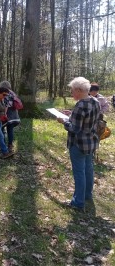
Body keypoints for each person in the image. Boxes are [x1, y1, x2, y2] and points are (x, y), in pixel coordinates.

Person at [57, 77, 100, 212]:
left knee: (79, 172)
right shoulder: (95, 101)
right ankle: (87, 195)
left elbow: (74, 128)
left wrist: (63, 121)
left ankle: (78, 202)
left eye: (72, 91)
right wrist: (71, 114)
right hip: (91, 143)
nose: (71, 93)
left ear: (79, 90)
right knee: (88, 169)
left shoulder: (80, 105)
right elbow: (88, 119)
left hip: (78, 144)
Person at [0, 80, 21, 152]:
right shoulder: (13, 93)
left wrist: (4, 113)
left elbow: (6, 105)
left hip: (8, 115)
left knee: (1, 129)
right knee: (10, 130)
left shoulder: (5, 93)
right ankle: (10, 145)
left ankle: (3, 145)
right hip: (15, 116)